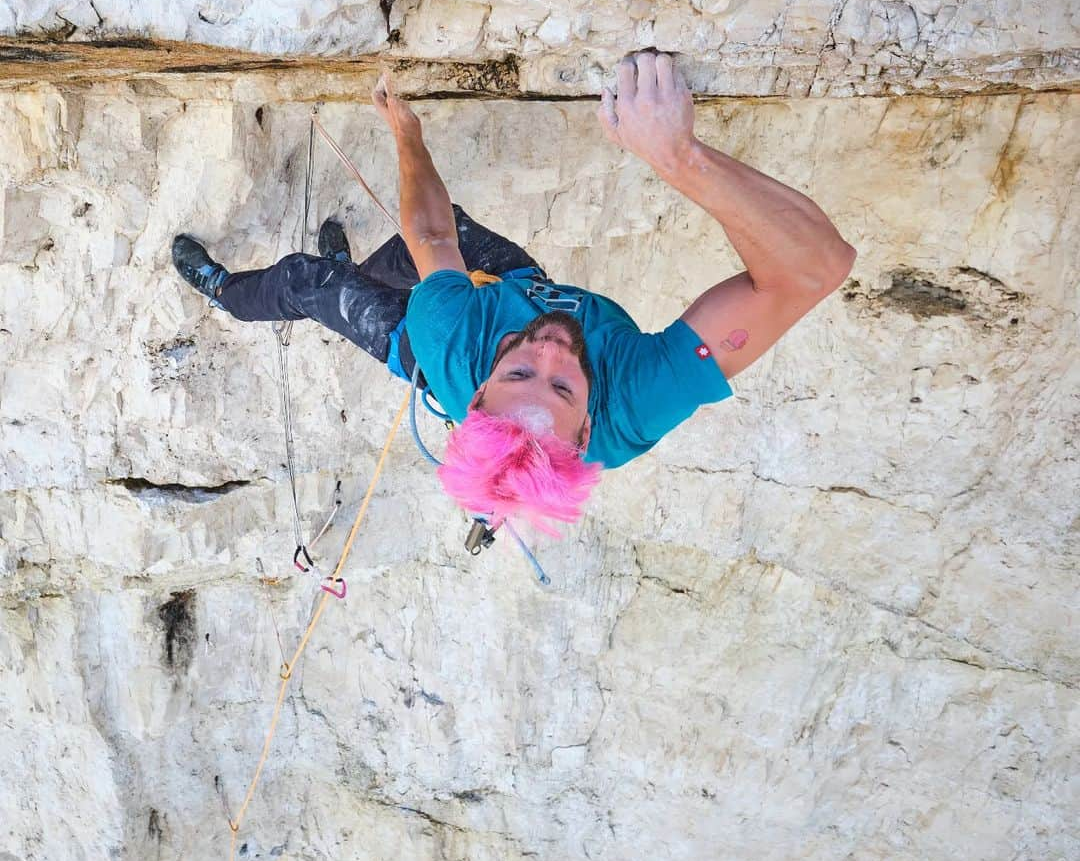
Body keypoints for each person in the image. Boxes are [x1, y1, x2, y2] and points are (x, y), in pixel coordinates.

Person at [171, 51, 855, 536]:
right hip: (516, 290)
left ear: (475, 397)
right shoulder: (635, 403)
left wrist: (408, 136)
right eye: (563, 389)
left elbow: (431, 229)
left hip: (434, 334)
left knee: (313, 282)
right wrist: (678, 156)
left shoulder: (445, 337)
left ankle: (229, 292)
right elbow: (816, 268)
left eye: (522, 371)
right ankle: (309, 280)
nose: (555, 352)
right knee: (428, 254)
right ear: (588, 429)